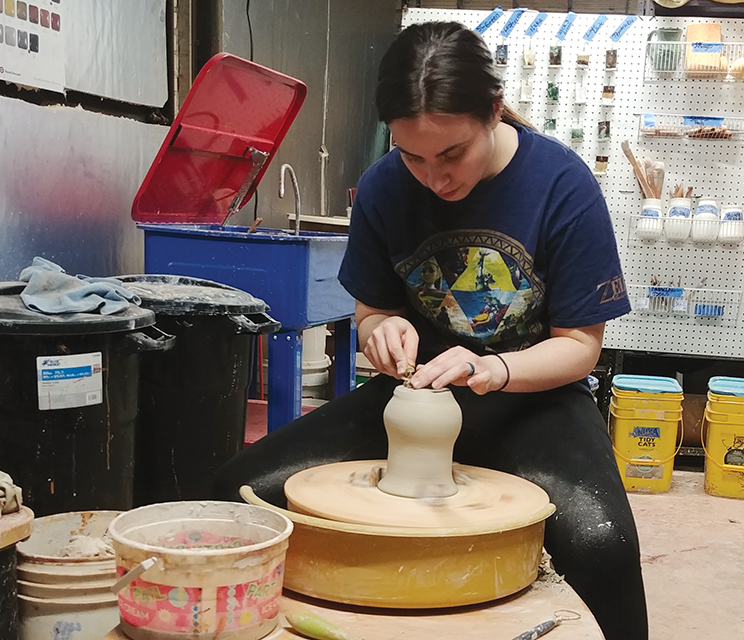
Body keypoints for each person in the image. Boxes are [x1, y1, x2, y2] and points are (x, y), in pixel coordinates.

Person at [214, 21, 647, 640]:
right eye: (412, 154)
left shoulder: (561, 185)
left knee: (600, 545)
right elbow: (371, 311)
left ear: (494, 112)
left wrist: (494, 368)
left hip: (536, 401)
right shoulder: (386, 186)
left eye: (451, 154)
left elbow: (580, 347)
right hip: (415, 398)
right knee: (236, 491)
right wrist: (380, 329)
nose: (434, 178)